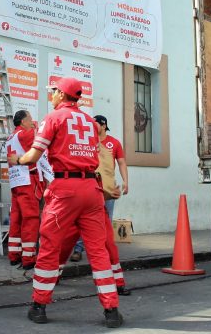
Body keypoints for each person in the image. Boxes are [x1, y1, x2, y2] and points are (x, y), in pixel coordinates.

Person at [10, 77, 123, 328]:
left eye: (53, 92)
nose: (51, 95)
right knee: (98, 251)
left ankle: (39, 306)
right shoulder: (90, 123)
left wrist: (17, 160)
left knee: (50, 246)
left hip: (64, 190)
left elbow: (33, 156)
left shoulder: (53, 118)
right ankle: (112, 310)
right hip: (91, 190)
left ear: (61, 94)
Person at [59, 119, 131, 296]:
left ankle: (117, 283)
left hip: (92, 200)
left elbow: (108, 171)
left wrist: (118, 187)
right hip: (86, 199)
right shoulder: (88, 144)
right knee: (74, 241)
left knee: (105, 243)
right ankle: (56, 272)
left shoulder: (107, 145)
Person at [70, 114, 128, 262]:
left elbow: (121, 163)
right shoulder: (87, 141)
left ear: (103, 126)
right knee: (83, 219)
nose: (93, 126)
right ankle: (78, 249)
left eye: (96, 124)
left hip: (107, 190)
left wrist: (125, 181)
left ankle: (102, 251)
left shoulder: (114, 143)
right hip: (89, 187)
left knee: (105, 221)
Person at [6, 110, 45, 270]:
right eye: (29, 119)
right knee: (30, 218)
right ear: (22, 121)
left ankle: (14, 254)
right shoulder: (25, 134)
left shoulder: (11, 137)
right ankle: (28, 257)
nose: (32, 121)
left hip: (16, 181)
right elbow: (43, 137)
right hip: (28, 180)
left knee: (16, 218)